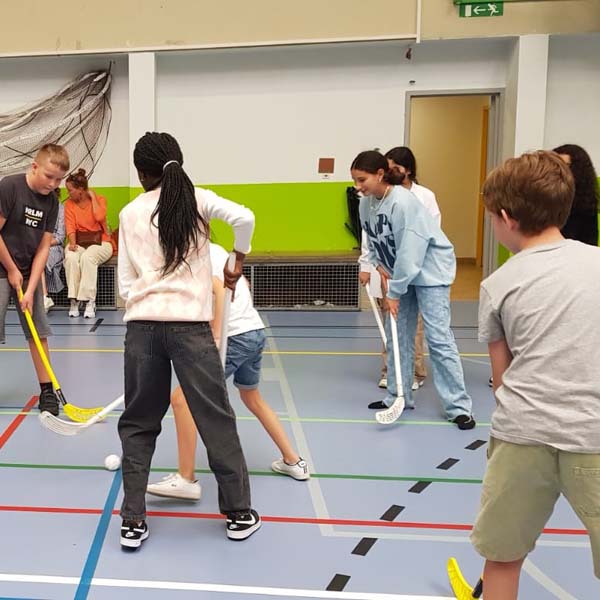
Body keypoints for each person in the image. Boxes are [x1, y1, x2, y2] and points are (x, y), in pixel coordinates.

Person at [117, 131, 260, 550]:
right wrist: (238, 258)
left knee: (139, 424)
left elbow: (126, 282)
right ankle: (238, 513)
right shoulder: (198, 199)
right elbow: (245, 218)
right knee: (215, 418)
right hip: (190, 329)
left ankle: (133, 521)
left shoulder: (129, 213)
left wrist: (146, 299)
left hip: (141, 328)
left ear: (142, 173)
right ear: (177, 163)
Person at [471, 150, 600, 599]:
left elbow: (501, 377)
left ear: (505, 218)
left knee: (502, 558)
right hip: (594, 435)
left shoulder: (498, 284)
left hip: (522, 437)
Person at [147, 241, 309, 501]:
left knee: (181, 399)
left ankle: (186, 478)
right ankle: (293, 460)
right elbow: (243, 285)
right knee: (251, 397)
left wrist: (216, 334)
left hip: (234, 337)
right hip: (254, 331)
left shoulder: (196, 255)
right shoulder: (217, 251)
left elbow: (219, 290)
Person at [351, 150, 474, 429]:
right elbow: (375, 239)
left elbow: (411, 251)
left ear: (380, 174)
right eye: (355, 181)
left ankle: (458, 407)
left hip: (430, 273)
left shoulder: (404, 203)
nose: (358, 187)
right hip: (398, 274)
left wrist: (394, 291)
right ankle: (399, 395)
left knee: (438, 337)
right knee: (398, 336)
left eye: (363, 179)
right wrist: (379, 268)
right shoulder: (365, 204)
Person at [0, 144, 69, 416]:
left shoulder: (52, 201)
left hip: (28, 270)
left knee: (38, 331)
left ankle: (47, 391)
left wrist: (31, 286)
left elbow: (44, 247)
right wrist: (12, 269)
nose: (52, 184)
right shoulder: (10, 187)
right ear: (34, 167)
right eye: (48, 176)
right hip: (2, 265)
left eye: (59, 180)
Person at [64, 169, 113, 319]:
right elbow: (70, 226)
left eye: (70, 190)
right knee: (71, 257)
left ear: (80, 190)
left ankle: (89, 301)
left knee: (88, 257)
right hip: (79, 241)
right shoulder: (69, 204)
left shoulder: (100, 199)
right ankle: (74, 300)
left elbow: (99, 216)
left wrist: (92, 197)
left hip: (101, 242)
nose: (68, 193)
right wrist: (72, 244)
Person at [553, 144, 599, 246]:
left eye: (565, 165)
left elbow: (589, 243)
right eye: (555, 164)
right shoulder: (545, 198)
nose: (558, 170)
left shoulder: (585, 205)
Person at [42, 197, 65, 312]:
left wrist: (44, 244)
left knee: (40, 258)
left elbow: (60, 237)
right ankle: (43, 297)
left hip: (53, 246)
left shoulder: (60, 208)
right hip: (36, 245)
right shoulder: (35, 207)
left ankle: (44, 297)